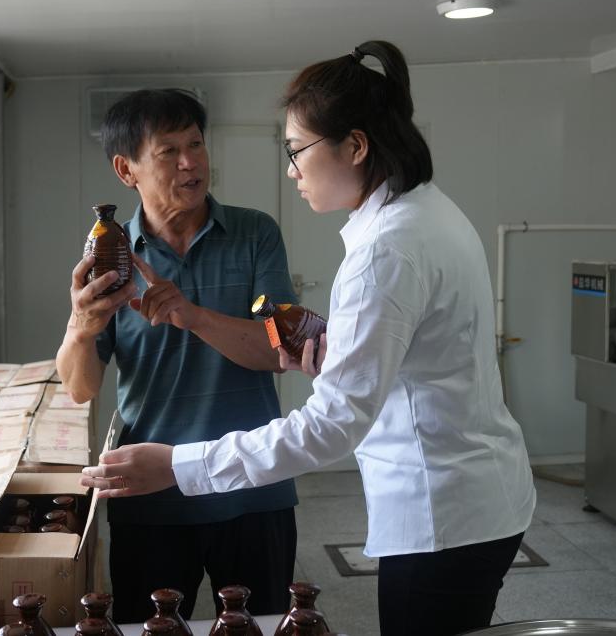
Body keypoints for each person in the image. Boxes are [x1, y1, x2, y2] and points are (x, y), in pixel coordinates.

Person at [80, 42, 536, 636]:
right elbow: (411, 357)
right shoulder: (426, 211)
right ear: (128, 170)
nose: (292, 170)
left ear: (356, 145)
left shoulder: (383, 251)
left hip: (441, 509)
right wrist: (338, 357)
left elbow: (330, 427)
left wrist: (177, 465)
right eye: (170, 150)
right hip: (471, 494)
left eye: (296, 150)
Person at [56, 89, 299, 623]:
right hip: (151, 496)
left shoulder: (255, 234)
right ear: (127, 170)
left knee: (263, 627)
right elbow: (79, 387)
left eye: (196, 144)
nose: (191, 162)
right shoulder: (112, 254)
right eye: (169, 151)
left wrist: (191, 315)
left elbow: (282, 350)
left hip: (252, 484)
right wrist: (81, 327)